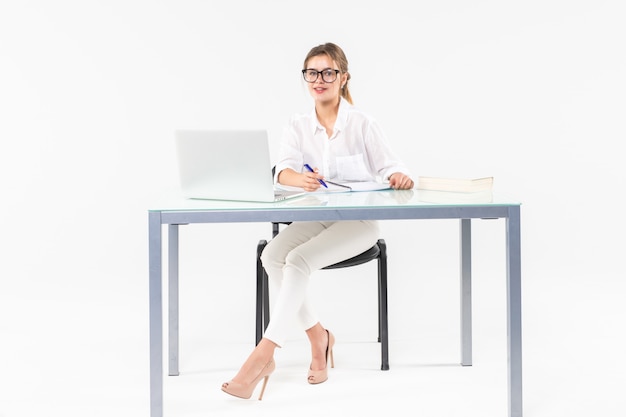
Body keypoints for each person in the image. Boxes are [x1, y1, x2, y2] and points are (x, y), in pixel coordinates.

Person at [221, 42, 414, 400]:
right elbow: (283, 171)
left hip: (359, 224)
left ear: (343, 77)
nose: (319, 79)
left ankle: (263, 355)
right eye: (312, 73)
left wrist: (400, 176)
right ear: (305, 78)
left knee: (298, 260)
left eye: (328, 72)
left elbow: (394, 167)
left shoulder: (363, 124)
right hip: (319, 218)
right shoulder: (297, 125)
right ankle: (318, 337)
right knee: (271, 256)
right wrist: (299, 179)